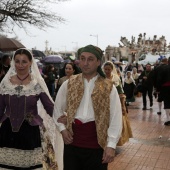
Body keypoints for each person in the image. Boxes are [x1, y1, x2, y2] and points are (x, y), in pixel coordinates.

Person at [53, 45, 122, 170]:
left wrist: (111, 145)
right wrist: (63, 129)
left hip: (97, 146)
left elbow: (116, 118)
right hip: (72, 144)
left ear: (98, 62)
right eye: (82, 58)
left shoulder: (109, 87)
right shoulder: (69, 83)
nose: (85, 63)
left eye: (90, 59)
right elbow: (57, 110)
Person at [0, 48, 59, 169]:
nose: (20, 65)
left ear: (30, 63)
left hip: (31, 132)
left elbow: (49, 106)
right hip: (7, 132)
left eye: (24, 61)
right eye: (17, 61)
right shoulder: (5, 83)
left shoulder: (36, 83)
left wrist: (62, 117)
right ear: (13, 62)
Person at [103, 61, 132, 146]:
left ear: (112, 69)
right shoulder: (101, 78)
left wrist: (123, 106)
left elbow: (121, 93)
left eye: (109, 69)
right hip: (104, 104)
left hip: (115, 102)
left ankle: (113, 142)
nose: (107, 71)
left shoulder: (116, 78)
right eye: (105, 69)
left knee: (114, 121)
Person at [157, 57, 170, 126]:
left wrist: (158, 89)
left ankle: (168, 119)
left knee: (167, 102)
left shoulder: (164, 69)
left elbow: (159, 79)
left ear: (168, 61)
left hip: (166, 88)